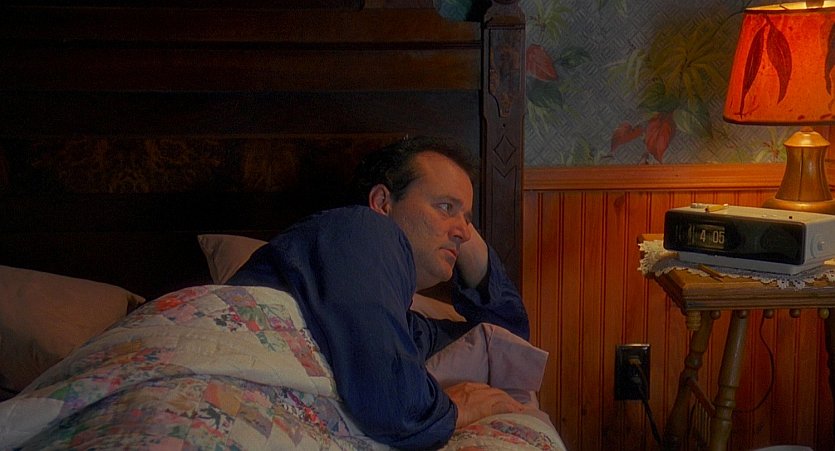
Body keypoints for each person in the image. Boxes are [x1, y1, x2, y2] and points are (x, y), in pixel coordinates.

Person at [228, 136, 531, 449]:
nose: (463, 233)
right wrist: (457, 406)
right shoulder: (360, 228)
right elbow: (394, 404)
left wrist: (468, 240)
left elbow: (504, 347)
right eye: (445, 206)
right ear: (383, 203)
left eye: (467, 220)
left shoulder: (400, 326)